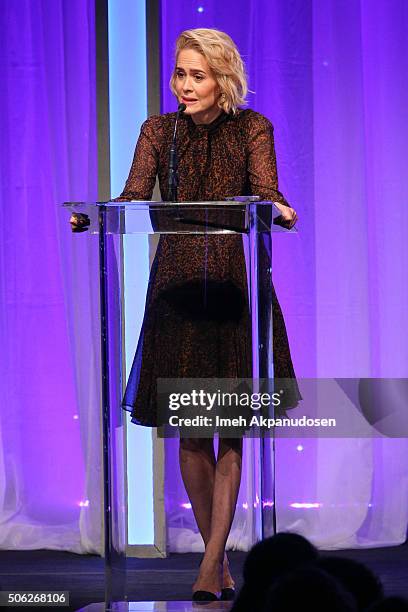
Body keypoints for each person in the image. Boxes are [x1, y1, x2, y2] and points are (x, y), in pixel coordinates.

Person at [72, 27, 301, 601]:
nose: (185, 85)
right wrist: (94, 217)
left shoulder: (253, 127)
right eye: (180, 73)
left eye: (198, 75)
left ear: (223, 78)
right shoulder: (158, 130)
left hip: (230, 288)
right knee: (192, 433)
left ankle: (207, 567)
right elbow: (131, 196)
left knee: (231, 433)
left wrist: (279, 208)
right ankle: (215, 557)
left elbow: (266, 189)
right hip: (175, 288)